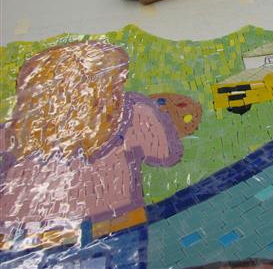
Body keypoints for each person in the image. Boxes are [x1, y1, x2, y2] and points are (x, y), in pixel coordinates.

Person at [0, 41, 184, 253]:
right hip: (113, 228)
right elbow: (166, 155)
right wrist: (162, 119)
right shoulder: (133, 111)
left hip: (15, 234)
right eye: (119, 79)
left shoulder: (20, 127)